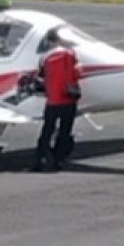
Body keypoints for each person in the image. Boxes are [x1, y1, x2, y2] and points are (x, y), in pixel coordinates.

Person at [32, 27, 82, 172]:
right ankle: (59, 159)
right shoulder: (71, 54)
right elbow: (77, 71)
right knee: (65, 131)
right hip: (70, 99)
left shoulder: (45, 57)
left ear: (49, 42)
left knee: (47, 130)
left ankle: (40, 158)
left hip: (54, 100)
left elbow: (40, 78)